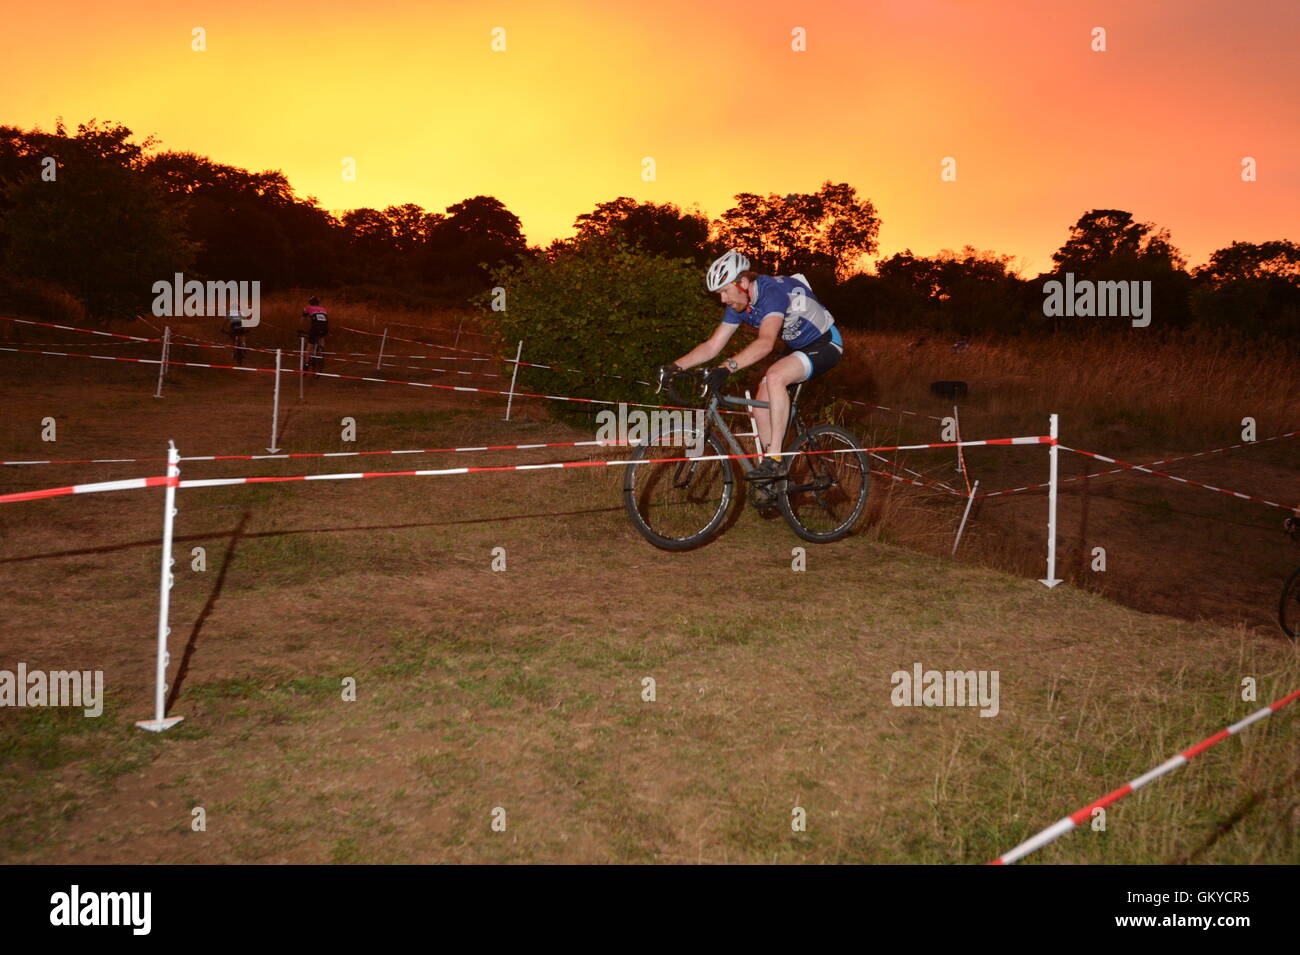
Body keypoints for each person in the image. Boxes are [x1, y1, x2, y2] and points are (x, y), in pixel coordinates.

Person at [659, 250, 844, 497]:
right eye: (720, 294)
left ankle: (775, 459)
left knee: (776, 376)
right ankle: (772, 483)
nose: (723, 299)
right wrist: (675, 366)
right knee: (759, 406)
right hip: (798, 347)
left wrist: (728, 368)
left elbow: (766, 343)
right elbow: (713, 345)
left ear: (744, 283)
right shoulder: (740, 304)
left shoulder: (771, 293)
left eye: (725, 291)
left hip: (825, 343)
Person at [300, 296, 329, 370]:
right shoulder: (323, 309)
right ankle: (321, 351)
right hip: (324, 327)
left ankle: (306, 363)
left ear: (310, 303)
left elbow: (302, 319)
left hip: (315, 327)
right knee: (321, 337)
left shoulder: (308, 308)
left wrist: (300, 329)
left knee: (310, 345)